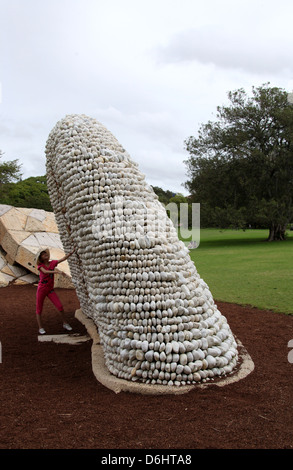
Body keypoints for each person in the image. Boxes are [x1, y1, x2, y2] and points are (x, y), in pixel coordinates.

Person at [35, 247, 75, 335]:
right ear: (40, 258)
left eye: (45, 253)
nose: (45, 255)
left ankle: (65, 323)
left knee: (60, 306)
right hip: (42, 289)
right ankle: (40, 327)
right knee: (39, 309)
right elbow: (45, 272)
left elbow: (62, 259)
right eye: (43, 254)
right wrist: (57, 272)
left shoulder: (52, 263)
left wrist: (71, 253)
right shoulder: (40, 266)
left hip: (50, 289)